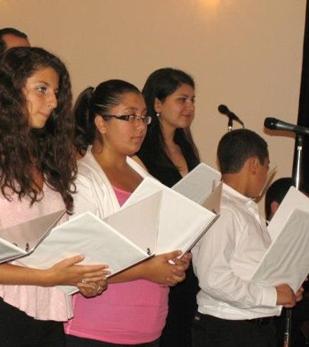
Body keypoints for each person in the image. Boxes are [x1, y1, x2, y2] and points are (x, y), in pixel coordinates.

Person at [0, 47, 109, 347]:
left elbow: (60, 244)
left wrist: (82, 277)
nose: (53, 101)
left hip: (46, 314)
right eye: (41, 89)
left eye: (56, 92)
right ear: (10, 92)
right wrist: (47, 277)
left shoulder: (49, 162)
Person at [65, 79, 190, 347]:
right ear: (101, 123)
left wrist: (173, 258)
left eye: (144, 117)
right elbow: (81, 262)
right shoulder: (82, 179)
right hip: (98, 329)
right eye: (129, 117)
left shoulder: (139, 171)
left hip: (149, 326)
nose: (140, 126)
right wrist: (147, 270)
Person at [191, 129, 302, 347]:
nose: (266, 173)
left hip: (245, 330)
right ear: (254, 165)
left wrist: (282, 289)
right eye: (266, 165)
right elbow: (213, 278)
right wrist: (272, 296)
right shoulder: (226, 210)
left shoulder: (241, 209)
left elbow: (246, 268)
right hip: (229, 331)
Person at [137, 67, 200, 347]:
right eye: (182, 99)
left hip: (187, 255)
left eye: (193, 100)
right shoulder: (142, 153)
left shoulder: (187, 149)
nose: (189, 107)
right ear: (158, 104)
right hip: (158, 255)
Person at [265, 177, 309, 347]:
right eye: (302, 209)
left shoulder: (293, 243)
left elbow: (307, 288)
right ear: (276, 208)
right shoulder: (262, 242)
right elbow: (284, 298)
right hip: (266, 335)